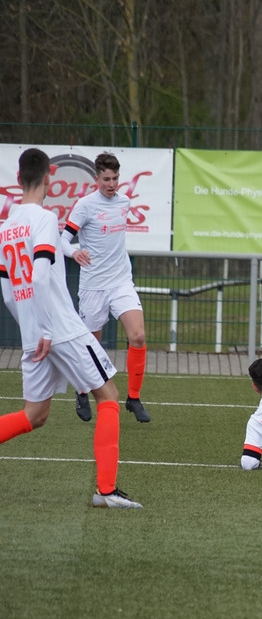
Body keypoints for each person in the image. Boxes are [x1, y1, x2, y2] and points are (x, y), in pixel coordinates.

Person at [0, 148, 141, 508]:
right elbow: (40, 275)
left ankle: (106, 491)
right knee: (108, 397)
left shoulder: (6, 227)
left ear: (18, 179)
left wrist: (33, 329)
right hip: (60, 329)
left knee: (34, 415)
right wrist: (48, 329)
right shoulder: (45, 218)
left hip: (33, 334)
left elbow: (9, 292)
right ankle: (106, 491)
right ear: (49, 178)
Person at [61, 153, 151, 423]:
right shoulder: (84, 206)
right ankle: (81, 390)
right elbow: (62, 240)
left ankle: (133, 398)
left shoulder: (124, 202)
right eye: (106, 179)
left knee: (138, 336)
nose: (111, 184)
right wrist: (74, 252)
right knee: (91, 345)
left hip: (121, 282)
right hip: (93, 287)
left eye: (115, 179)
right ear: (96, 178)